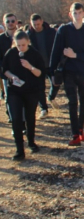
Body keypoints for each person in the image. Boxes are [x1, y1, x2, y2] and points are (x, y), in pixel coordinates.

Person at [50, 2, 84, 146]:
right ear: (70, 14)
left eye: (79, 12)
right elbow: (56, 51)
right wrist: (52, 72)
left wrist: (75, 55)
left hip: (83, 72)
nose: (77, 15)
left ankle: (81, 130)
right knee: (72, 102)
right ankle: (75, 133)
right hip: (68, 71)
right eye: (74, 13)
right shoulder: (63, 30)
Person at [2, 30, 45, 160]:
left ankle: (31, 142)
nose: (21, 48)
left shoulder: (35, 54)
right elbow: (5, 70)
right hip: (15, 90)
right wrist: (12, 76)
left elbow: (40, 74)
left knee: (30, 117)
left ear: (28, 43)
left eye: (23, 45)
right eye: (18, 45)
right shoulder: (11, 53)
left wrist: (30, 67)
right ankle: (19, 150)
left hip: (31, 90)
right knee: (16, 118)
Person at [27, 13, 59, 118]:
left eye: (38, 24)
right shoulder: (29, 35)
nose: (36, 26)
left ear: (42, 21)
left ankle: (51, 97)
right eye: (34, 24)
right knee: (40, 88)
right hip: (38, 65)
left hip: (51, 63)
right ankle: (44, 108)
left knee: (56, 83)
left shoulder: (50, 32)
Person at [1, 13, 18, 122]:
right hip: (6, 73)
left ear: (16, 22)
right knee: (9, 97)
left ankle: (22, 121)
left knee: (22, 98)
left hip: (22, 73)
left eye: (12, 21)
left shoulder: (22, 36)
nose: (10, 23)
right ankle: (12, 118)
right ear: (4, 23)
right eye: (8, 21)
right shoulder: (1, 39)